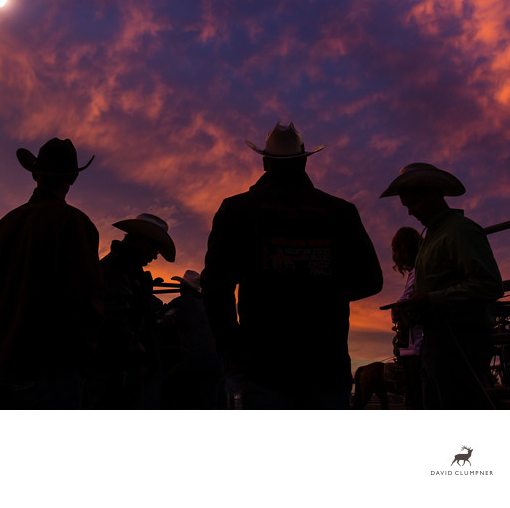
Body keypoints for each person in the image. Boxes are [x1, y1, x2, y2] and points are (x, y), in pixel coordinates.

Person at [201, 122, 383, 409]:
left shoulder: (237, 210)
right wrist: (321, 288)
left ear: (264, 162)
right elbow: (371, 280)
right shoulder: (340, 211)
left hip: (264, 363)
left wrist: (233, 346)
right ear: (304, 160)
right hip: (326, 361)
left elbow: (214, 287)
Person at [0, 138, 103, 409]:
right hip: (51, 369)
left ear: (34, 174)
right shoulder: (75, 224)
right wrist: (88, 356)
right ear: (73, 179)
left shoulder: (1, 227)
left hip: (1, 366)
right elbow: (86, 298)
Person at [380, 162, 504, 409]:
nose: (410, 212)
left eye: (413, 204)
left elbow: (490, 285)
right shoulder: (431, 237)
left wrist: (430, 299)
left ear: (432, 194)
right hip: (438, 341)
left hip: (461, 340)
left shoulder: (461, 231)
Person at [87, 212, 176, 409]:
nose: (155, 256)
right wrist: (139, 358)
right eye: (156, 248)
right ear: (144, 241)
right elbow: (115, 323)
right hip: (116, 375)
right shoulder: (117, 270)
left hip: (117, 373)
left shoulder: (123, 269)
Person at [159, 270, 223, 409]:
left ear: (183, 288)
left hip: (194, 360)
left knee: (165, 385)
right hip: (214, 361)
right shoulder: (206, 304)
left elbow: (161, 320)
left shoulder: (180, 303)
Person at [389, 227, 424, 409]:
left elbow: (407, 302)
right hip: (411, 345)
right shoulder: (414, 272)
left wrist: (397, 309)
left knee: (417, 396)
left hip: (416, 346)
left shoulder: (419, 270)